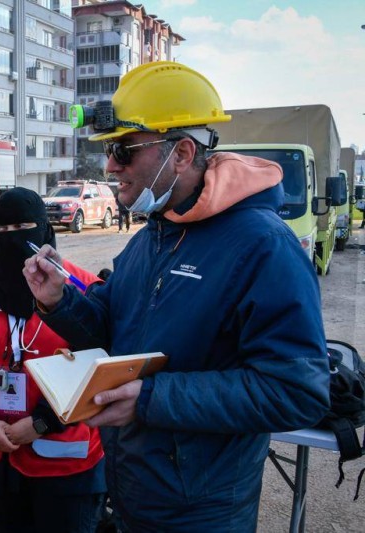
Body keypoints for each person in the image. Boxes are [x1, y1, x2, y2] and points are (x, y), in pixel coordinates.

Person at [23, 61, 330, 531]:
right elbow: (112, 328)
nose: (110, 166)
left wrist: (151, 399)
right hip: (132, 491)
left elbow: (296, 391)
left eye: (124, 149)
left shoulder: (263, 246)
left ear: (183, 153)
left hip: (202, 512)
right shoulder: (157, 233)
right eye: (109, 150)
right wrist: (59, 301)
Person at [0, 187, 105, 533]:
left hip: (64, 466)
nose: (12, 239)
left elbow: (99, 367)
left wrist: (42, 423)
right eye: (2, 231)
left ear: (44, 230)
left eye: (23, 228)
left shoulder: (83, 288)